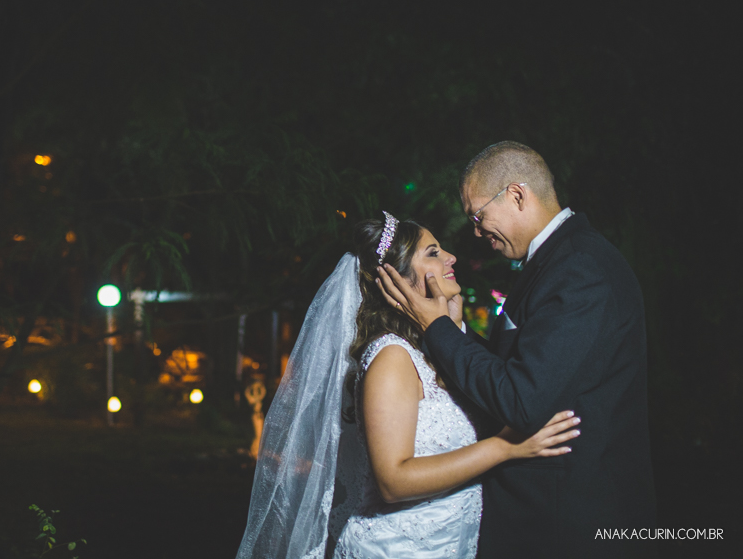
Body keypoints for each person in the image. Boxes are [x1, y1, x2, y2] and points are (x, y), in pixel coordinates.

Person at [236, 212, 580, 559]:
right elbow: (393, 480)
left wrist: (451, 328)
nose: (451, 257)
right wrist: (505, 447)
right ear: (396, 280)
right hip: (395, 549)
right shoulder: (392, 358)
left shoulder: (434, 350)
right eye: (433, 252)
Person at [377, 141, 657, 558]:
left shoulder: (580, 269)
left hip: (569, 525)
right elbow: (520, 366)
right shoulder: (559, 261)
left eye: (478, 215)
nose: (476, 231)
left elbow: (522, 399)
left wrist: (437, 328)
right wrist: (454, 329)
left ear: (517, 195)